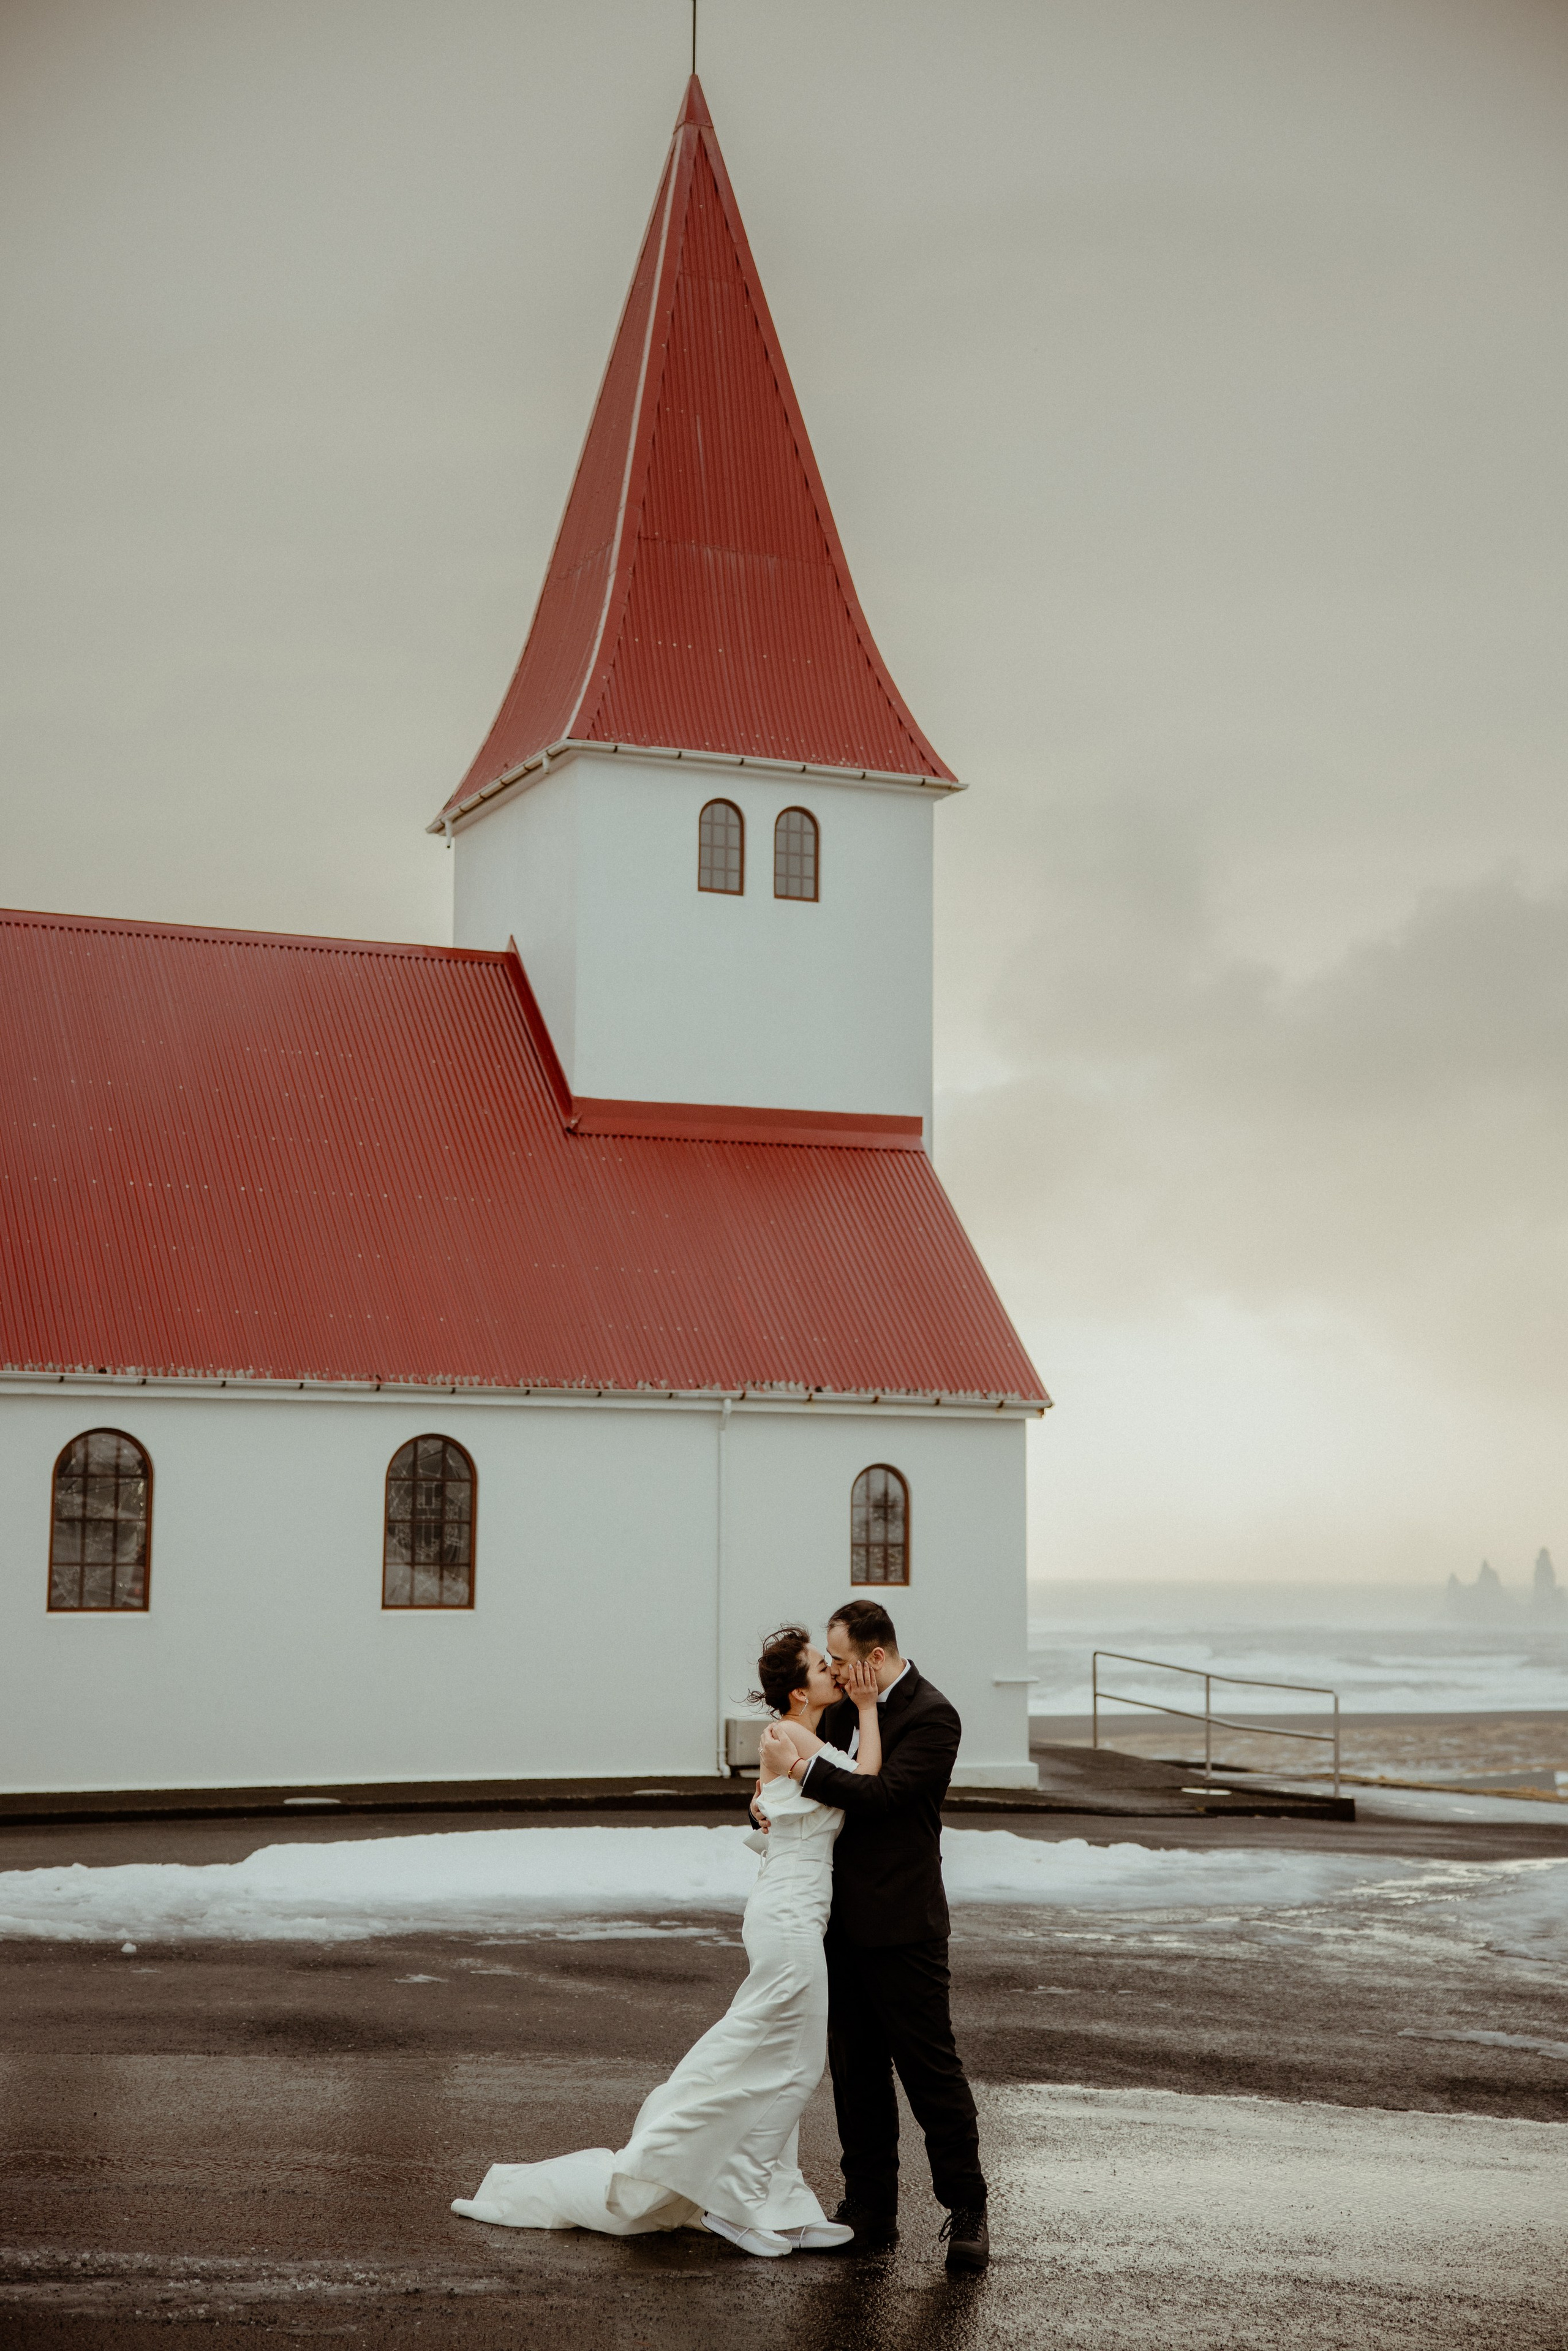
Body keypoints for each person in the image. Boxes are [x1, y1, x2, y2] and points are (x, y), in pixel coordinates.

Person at [450, 1628, 884, 2259]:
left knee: (777, 2062)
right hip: (787, 1914)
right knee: (792, 2064)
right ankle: (738, 2202)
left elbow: (799, 1798)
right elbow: (864, 1784)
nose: (833, 1672)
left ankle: (778, 2205)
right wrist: (869, 1710)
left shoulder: (808, 1736)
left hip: (799, 1912)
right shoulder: (787, 1734)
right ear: (798, 1689)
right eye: (823, 1666)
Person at [763, 1599, 989, 2272]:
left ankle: (968, 2207)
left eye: (839, 1658)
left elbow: (883, 1795)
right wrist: (769, 1794)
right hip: (836, 1922)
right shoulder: (838, 1708)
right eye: (827, 1660)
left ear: (876, 1659)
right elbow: (804, 1771)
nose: (831, 1669)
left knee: (930, 2071)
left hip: (904, 1926)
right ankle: (868, 2209)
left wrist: (803, 1772)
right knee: (856, 2071)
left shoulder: (933, 1715)